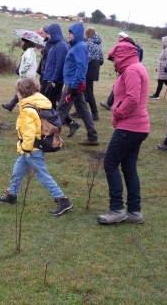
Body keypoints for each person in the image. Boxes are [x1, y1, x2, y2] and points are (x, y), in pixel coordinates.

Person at [0, 78, 73, 215]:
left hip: (32, 148)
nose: (16, 95)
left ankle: (62, 199)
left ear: (23, 92)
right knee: (18, 169)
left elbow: (29, 132)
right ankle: (11, 195)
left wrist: (26, 149)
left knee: (42, 174)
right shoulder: (40, 101)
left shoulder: (27, 109)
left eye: (17, 92)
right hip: (35, 145)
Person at [96, 40, 150, 225]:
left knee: (110, 163)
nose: (113, 63)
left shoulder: (132, 70)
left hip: (131, 126)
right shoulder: (135, 67)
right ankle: (134, 212)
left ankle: (117, 209)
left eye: (115, 59)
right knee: (128, 167)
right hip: (137, 126)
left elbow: (133, 98)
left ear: (122, 56)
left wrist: (117, 113)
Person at [57, 23, 99, 146]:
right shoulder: (76, 46)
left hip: (72, 84)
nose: (68, 35)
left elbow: (81, 68)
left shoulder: (80, 47)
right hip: (73, 83)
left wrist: (74, 87)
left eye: (70, 33)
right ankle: (92, 136)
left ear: (76, 34)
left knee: (61, 109)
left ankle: (51, 136)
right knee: (83, 110)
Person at [1, 36, 37, 112]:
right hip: (29, 75)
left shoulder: (29, 51)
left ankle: (30, 107)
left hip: (27, 75)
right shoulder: (30, 50)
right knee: (22, 90)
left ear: (26, 43)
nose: (21, 43)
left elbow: (28, 63)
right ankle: (12, 105)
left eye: (23, 42)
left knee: (25, 91)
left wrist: (22, 70)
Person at [40, 23, 69, 109]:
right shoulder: (54, 45)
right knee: (50, 102)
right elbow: (51, 61)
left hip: (54, 80)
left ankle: (64, 120)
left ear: (54, 33)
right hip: (49, 77)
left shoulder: (61, 46)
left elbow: (60, 65)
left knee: (50, 102)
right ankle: (66, 120)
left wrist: (54, 80)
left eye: (48, 33)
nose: (47, 36)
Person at [84, 27, 104, 121]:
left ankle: (95, 113)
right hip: (95, 69)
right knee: (85, 90)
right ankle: (81, 110)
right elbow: (101, 60)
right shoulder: (98, 44)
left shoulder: (88, 43)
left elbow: (86, 58)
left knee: (88, 91)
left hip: (88, 69)